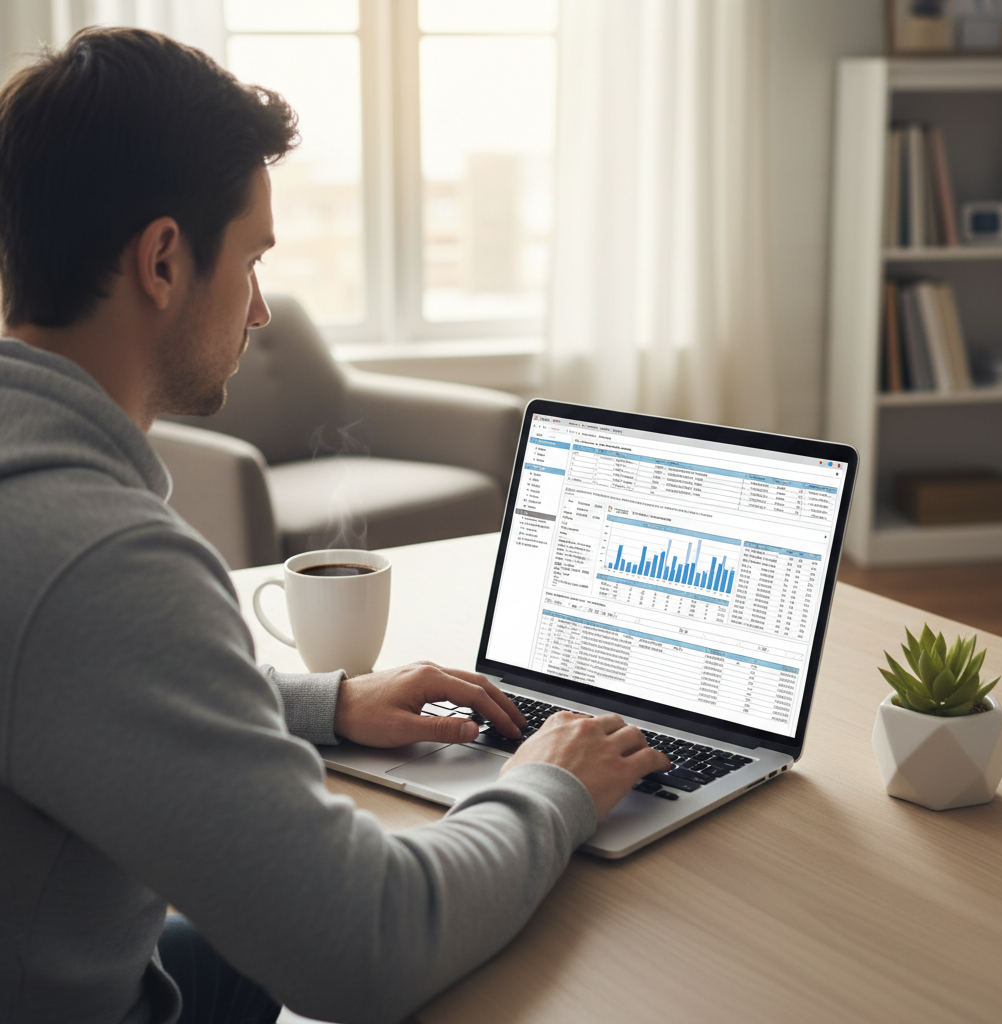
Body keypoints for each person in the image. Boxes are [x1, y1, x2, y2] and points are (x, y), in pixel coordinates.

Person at [0, 26, 668, 1024]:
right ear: (164, 259)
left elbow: (70, 684)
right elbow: (366, 945)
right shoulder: (106, 558)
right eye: (254, 258)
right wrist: (549, 788)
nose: (260, 310)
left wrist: (328, 705)